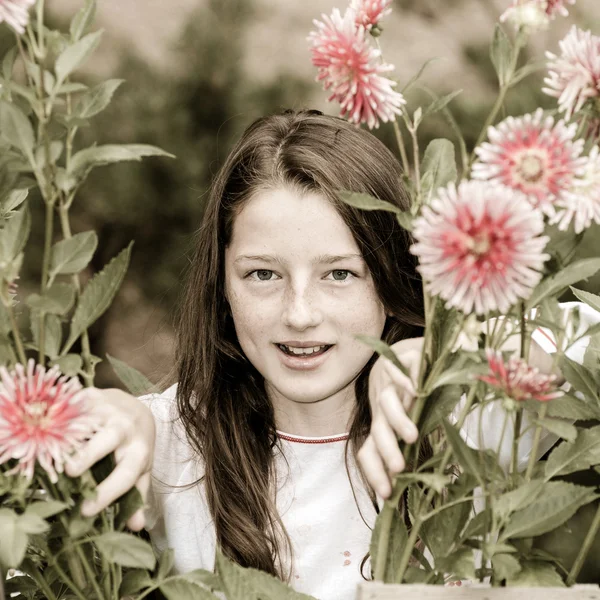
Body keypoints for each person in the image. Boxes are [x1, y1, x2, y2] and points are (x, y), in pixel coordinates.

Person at [65, 110, 597, 600]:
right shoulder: (169, 449)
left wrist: (448, 358)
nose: (299, 314)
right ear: (221, 282)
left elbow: (586, 343)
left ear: (391, 278)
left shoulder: (469, 418)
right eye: (263, 274)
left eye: (339, 273)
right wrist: (102, 426)